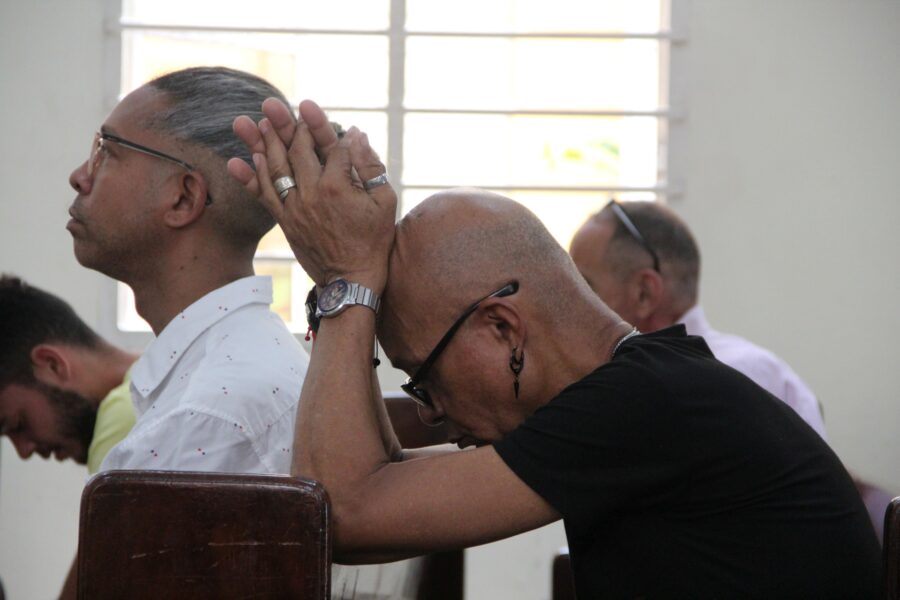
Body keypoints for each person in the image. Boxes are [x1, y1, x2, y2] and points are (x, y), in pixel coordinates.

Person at [228, 99, 881, 598]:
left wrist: (346, 281)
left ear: (503, 328)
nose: (428, 412)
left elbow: (339, 513)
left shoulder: (642, 405)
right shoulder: (649, 389)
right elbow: (377, 487)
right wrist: (347, 286)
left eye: (424, 378)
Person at [66, 66, 309, 475]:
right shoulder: (239, 367)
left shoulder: (203, 419)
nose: (79, 177)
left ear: (183, 197)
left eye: (106, 151)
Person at [568, 200, 827, 438]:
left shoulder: (752, 377)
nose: (572, 305)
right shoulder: (606, 383)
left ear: (644, 293)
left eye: (585, 288)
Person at [0, 275, 135, 473]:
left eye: (18, 424)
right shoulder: (171, 373)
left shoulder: (126, 415)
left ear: (52, 365)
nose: (24, 451)